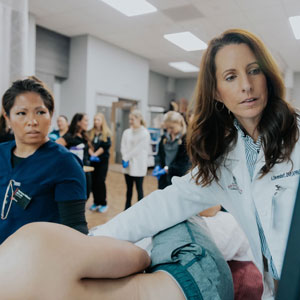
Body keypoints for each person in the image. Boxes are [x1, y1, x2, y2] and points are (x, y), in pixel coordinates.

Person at [89, 28, 300, 299]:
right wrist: (93, 239)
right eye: (231, 77)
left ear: (268, 76)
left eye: (254, 70)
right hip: (278, 287)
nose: (246, 85)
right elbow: (165, 204)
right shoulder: (225, 159)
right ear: (216, 92)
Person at [0, 77, 88, 244]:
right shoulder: (1, 153)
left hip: (36, 260)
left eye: (40, 112)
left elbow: (76, 231)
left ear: (51, 114)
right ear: (7, 117)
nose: (32, 122)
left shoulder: (64, 163)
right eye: (21, 113)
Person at [57, 113, 92, 199]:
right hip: (75, 171)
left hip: (86, 169)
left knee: (86, 194)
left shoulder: (84, 136)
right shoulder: (69, 136)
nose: (87, 123)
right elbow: (55, 148)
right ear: (78, 122)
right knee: (78, 196)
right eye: (86, 120)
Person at [152, 111, 191, 189]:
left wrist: (168, 169)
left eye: (172, 128)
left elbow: (185, 163)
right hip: (164, 179)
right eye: (167, 128)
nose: (169, 131)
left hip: (178, 178)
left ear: (180, 124)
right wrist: (158, 165)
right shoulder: (164, 138)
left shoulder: (187, 140)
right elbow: (159, 155)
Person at [121, 109, 150, 210]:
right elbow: (123, 146)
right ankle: (126, 209)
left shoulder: (145, 133)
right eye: (130, 119)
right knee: (128, 190)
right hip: (127, 165)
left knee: (139, 189)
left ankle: (140, 210)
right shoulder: (127, 132)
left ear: (139, 119)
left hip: (139, 166)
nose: (130, 122)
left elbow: (138, 149)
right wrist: (125, 157)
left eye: (132, 119)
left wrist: (126, 157)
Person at [88, 112, 112, 213]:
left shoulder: (106, 133)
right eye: (94, 120)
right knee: (93, 182)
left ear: (102, 121)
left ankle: (103, 203)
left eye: (98, 120)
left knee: (100, 181)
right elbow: (88, 145)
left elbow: (105, 146)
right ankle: (96, 202)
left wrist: (95, 154)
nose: (96, 122)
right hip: (92, 162)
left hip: (102, 161)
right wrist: (91, 153)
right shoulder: (90, 132)